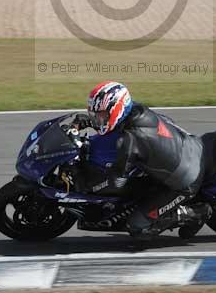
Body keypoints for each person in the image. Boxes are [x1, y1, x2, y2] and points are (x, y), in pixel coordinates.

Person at [74, 81, 208, 239]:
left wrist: (85, 186)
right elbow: (111, 126)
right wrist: (92, 123)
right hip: (192, 147)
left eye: (101, 115)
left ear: (117, 110)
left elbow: (116, 183)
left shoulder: (130, 140)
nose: (97, 118)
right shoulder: (137, 110)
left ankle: (196, 213)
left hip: (186, 182)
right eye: (94, 115)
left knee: (137, 227)